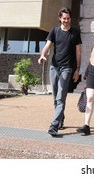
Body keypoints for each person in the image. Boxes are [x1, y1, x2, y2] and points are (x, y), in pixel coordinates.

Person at [38, 7, 82, 137]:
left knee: (61, 97)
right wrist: (42, 55)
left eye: (68, 18)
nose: (66, 20)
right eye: (64, 18)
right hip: (54, 67)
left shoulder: (75, 33)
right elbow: (47, 46)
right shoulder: (55, 31)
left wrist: (77, 70)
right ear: (60, 18)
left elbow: (78, 52)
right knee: (55, 97)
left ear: (70, 18)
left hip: (67, 68)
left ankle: (54, 126)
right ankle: (61, 118)